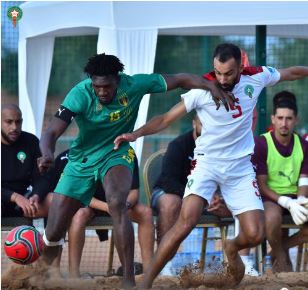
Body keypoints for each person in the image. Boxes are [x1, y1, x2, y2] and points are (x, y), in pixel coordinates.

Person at [113, 43, 308, 288]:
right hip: (207, 164)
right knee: (186, 222)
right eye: (218, 72)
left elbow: (292, 72)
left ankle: (231, 246)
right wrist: (136, 134)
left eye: (229, 73)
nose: (222, 79)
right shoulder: (201, 90)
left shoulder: (257, 77)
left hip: (240, 169)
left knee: (255, 234)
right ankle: (145, 283)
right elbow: (165, 118)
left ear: (240, 67)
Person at [37, 53, 233, 288]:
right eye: (97, 86)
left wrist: (210, 86)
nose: (102, 92)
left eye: (107, 86)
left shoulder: (136, 84)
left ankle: (129, 281)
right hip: (82, 159)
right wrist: (47, 153)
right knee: (54, 226)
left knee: (118, 202)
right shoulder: (80, 93)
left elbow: (180, 79)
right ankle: (43, 278)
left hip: (117, 151)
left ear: (117, 80)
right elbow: (50, 132)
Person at [40, 149, 154, 277]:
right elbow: (82, 194)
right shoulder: (81, 154)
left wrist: (124, 206)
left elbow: (134, 192)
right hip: (90, 203)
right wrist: (108, 207)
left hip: (121, 204)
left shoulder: (127, 152)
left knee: (146, 212)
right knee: (79, 216)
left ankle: (149, 272)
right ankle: (74, 275)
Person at [152, 114, 231, 244]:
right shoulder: (178, 145)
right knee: (170, 203)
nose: (207, 129)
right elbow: (169, 182)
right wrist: (201, 197)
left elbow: (227, 180)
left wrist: (220, 200)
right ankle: (164, 261)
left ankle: (240, 259)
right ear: (194, 123)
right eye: (203, 124)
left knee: (236, 204)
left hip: (205, 197)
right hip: (172, 192)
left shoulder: (221, 148)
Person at [253, 91, 308, 273]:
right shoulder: (261, 143)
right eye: (280, 118)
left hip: (295, 195)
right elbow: (262, 185)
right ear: (273, 119)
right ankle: (281, 258)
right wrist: (286, 202)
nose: (284, 123)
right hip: (271, 197)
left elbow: (304, 180)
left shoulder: (304, 145)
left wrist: (299, 200)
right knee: (272, 218)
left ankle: (280, 249)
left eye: (289, 119)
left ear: (296, 120)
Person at [1, 104, 52, 219]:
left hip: (26, 201)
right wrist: (15, 197)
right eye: (9, 122)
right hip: (4, 199)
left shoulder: (31, 142)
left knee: (54, 201)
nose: (14, 127)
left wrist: (37, 194)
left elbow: (41, 177)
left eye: (18, 122)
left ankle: (50, 237)